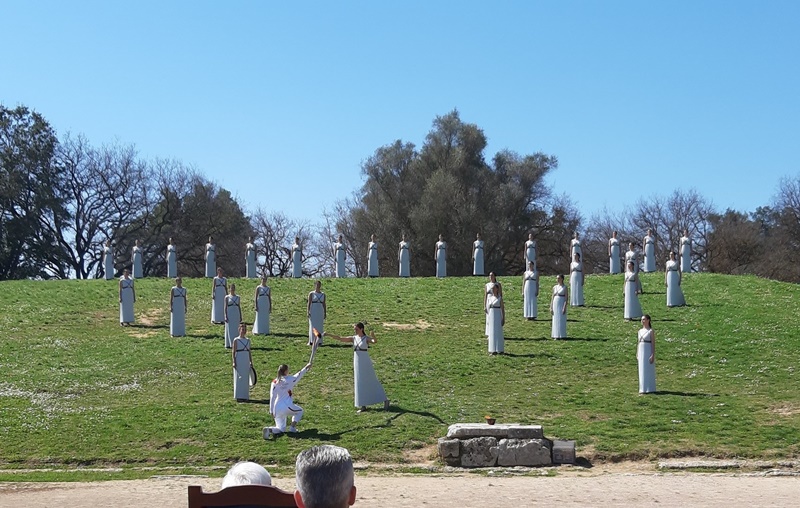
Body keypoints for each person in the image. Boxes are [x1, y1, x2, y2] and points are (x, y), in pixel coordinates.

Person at [325, 323, 389, 412]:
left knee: (371, 380)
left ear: (361, 329)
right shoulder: (353, 338)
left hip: (365, 361)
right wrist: (329, 334)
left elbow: (374, 342)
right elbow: (340, 338)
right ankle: (363, 405)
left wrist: (373, 336)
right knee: (359, 382)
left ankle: (385, 400)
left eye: (356, 329)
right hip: (357, 361)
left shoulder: (366, 338)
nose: (355, 330)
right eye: (354, 329)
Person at [264, 362, 313, 438]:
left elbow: (272, 396)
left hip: (276, 408)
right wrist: (306, 367)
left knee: (280, 429)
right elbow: (299, 375)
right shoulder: (290, 379)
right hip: (287, 405)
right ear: (286, 371)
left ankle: (269, 430)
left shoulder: (274, 382)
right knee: (300, 411)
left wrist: (271, 410)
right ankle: (292, 428)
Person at [232, 323, 253, 401]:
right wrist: (234, 362)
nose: (243, 331)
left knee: (245, 378)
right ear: (239, 330)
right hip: (239, 359)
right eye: (242, 329)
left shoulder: (248, 340)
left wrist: (251, 361)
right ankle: (238, 396)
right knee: (239, 378)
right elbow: (233, 352)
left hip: (246, 360)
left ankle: (245, 396)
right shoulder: (236, 340)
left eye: (245, 330)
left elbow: (249, 351)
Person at [637, 315, 657, 394]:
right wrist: (637, 353)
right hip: (641, 351)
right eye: (642, 319)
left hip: (648, 350)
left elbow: (653, 343)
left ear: (648, 320)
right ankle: (642, 388)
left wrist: (652, 354)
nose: (642, 321)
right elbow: (638, 342)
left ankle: (649, 388)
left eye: (644, 319)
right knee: (641, 369)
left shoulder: (650, 331)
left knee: (648, 368)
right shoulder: (639, 331)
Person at [486, 284, 505, 355]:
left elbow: (502, 309)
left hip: (497, 315)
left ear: (497, 289)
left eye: (494, 289)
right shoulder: (489, 298)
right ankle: (492, 349)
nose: (493, 290)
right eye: (492, 289)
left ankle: (499, 349)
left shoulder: (499, 298)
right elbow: (488, 308)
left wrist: (503, 318)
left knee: (498, 331)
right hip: (491, 315)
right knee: (492, 331)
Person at [307, 280, 326, 346]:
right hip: (313, 310)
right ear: (315, 285)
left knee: (320, 326)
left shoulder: (323, 294)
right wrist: (308, 311)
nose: (318, 286)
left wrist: (325, 312)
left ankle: (319, 341)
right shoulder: (311, 294)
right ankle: (312, 341)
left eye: (319, 285)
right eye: (317, 285)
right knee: (313, 325)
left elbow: (324, 304)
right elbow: (309, 303)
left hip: (320, 311)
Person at [224, 283, 242, 349]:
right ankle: (230, 343)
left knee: (236, 328)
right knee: (229, 328)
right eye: (231, 288)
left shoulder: (238, 297)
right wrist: (225, 315)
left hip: (236, 313)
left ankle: (236, 343)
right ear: (229, 289)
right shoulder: (227, 297)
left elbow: (239, 306)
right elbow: (225, 307)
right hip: (230, 313)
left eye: (233, 288)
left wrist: (240, 315)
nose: (232, 290)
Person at [550, 275, 568, 339]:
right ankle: (555, 335)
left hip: (561, 303)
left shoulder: (565, 287)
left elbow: (566, 298)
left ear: (562, 279)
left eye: (559, 278)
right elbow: (552, 297)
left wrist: (564, 307)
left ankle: (562, 335)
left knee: (561, 319)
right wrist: (551, 306)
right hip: (555, 303)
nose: (557, 280)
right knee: (555, 319)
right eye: (557, 278)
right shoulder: (555, 287)